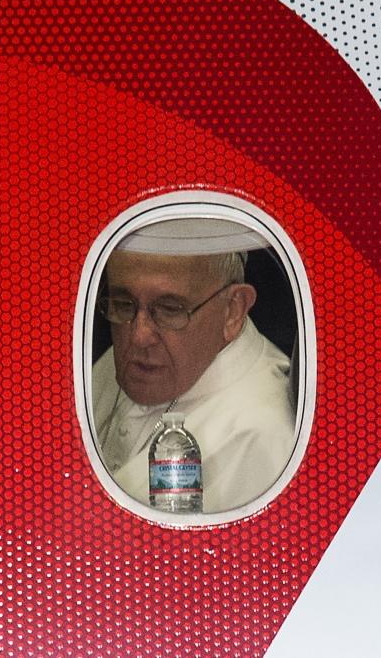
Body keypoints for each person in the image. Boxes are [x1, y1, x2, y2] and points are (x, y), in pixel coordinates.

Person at [93, 220, 295, 514]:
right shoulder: (135, 359)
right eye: (123, 304)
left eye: (170, 309)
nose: (138, 336)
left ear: (233, 310)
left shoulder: (264, 436)